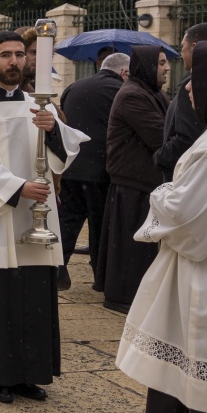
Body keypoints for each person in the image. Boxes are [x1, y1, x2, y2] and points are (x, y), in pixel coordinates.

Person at [0, 31, 87, 404]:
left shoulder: (40, 106)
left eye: (19, 55)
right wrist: (15, 187)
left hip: (34, 219)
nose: (14, 61)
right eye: (5, 54)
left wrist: (53, 129)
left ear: (28, 61)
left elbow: (67, 150)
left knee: (32, 294)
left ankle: (28, 371)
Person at [115, 40, 207, 413]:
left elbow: (192, 224)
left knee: (192, 391)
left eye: (198, 77)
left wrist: (162, 193)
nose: (188, 86)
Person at [95, 46, 169, 314]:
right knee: (131, 250)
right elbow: (161, 135)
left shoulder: (150, 92)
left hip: (142, 179)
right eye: (161, 63)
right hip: (133, 181)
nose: (167, 68)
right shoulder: (133, 96)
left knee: (136, 248)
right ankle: (124, 297)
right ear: (147, 66)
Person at [57, 51, 128, 290]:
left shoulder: (75, 86)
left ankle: (57, 268)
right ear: (124, 72)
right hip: (100, 170)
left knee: (67, 219)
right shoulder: (120, 91)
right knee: (100, 225)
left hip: (70, 164)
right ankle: (101, 275)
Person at [153, 23, 207, 182]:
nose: (181, 53)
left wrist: (160, 158)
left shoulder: (194, 86)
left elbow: (187, 138)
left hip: (184, 177)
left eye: (183, 47)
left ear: (194, 47)